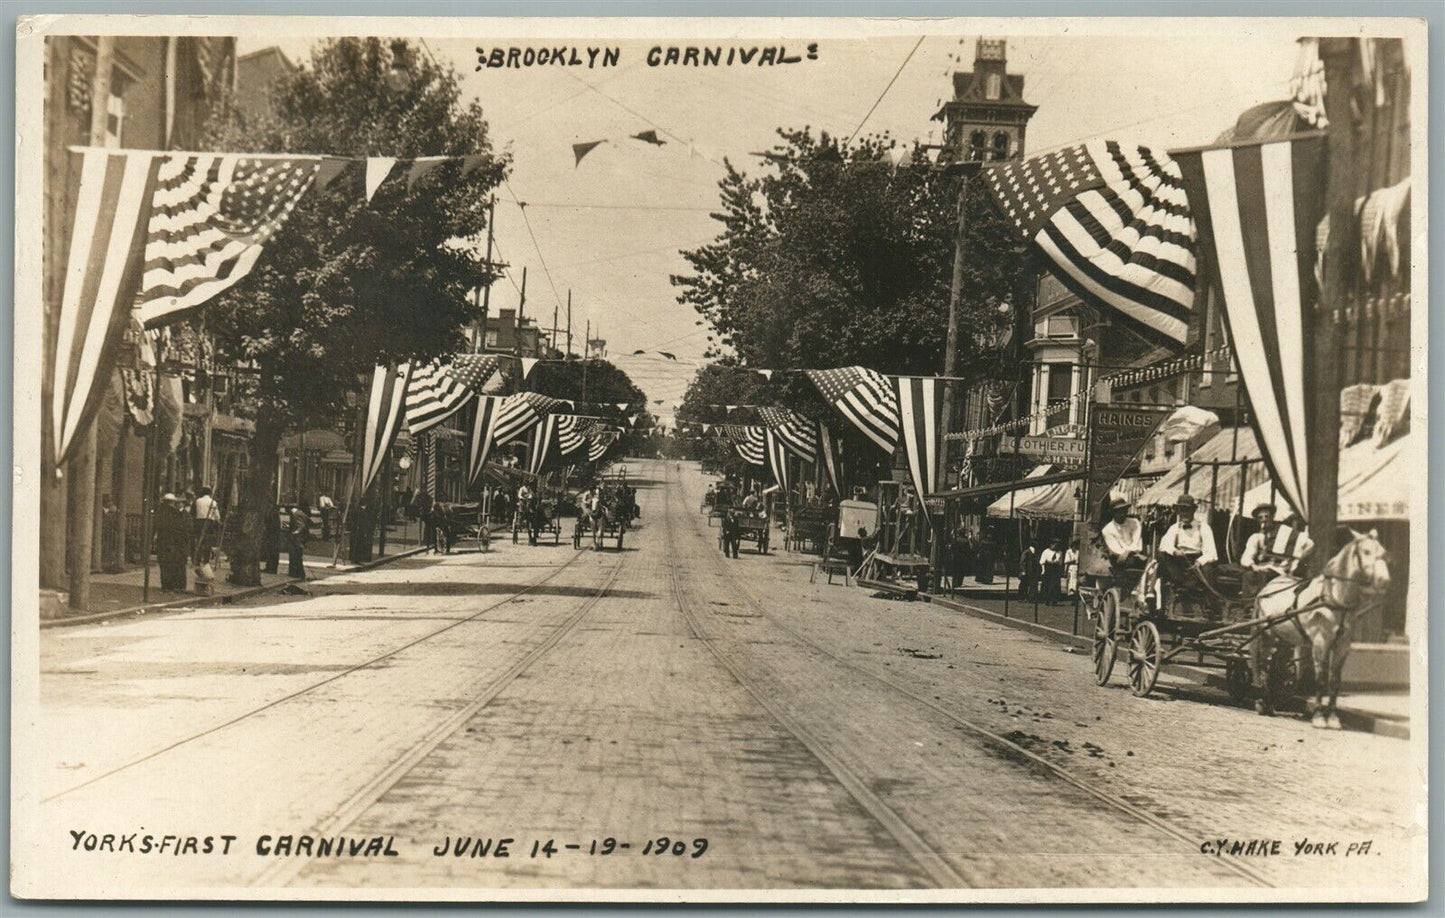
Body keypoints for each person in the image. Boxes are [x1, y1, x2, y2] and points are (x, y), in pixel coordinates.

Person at [1240, 502, 1314, 592]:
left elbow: (1309, 544)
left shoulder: (1284, 532)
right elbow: (1247, 556)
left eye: (1266, 516)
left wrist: (1296, 561)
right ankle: (1250, 603)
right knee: (1249, 575)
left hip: (1280, 570)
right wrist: (1253, 565)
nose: (1264, 520)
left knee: (1262, 576)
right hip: (1262, 568)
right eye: (1260, 517)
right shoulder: (1257, 537)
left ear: (1272, 517)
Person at [1156, 494, 1217, 596]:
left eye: (1187, 510)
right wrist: (1175, 551)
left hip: (1196, 561)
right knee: (1162, 556)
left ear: (1193, 510)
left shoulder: (1203, 527)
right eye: (1181, 510)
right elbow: (1164, 545)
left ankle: (1208, 603)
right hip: (1179, 561)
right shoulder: (1175, 528)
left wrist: (1199, 562)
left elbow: (1212, 553)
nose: (1184, 513)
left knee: (1208, 569)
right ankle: (1181, 585)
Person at [154, 494, 189, 592]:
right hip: (173, 542)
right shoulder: (175, 513)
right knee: (172, 564)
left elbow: (156, 526)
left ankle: (166, 585)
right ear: (173, 502)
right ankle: (175, 586)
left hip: (162, 541)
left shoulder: (158, 512)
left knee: (164, 564)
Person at [191, 486, 221, 565]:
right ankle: (206, 561)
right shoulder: (213, 502)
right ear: (210, 493)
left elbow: (193, 512)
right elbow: (217, 515)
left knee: (199, 541)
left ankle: (197, 560)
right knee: (208, 542)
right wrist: (218, 520)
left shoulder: (197, 501)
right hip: (209, 523)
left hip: (199, 522)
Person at [286, 499, 311, 580]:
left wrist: (296, 532)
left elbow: (301, 525)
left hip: (298, 539)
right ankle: (295, 573)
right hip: (299, 538)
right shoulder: (300, 513)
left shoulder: (296, 514)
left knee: (295, 555)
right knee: (296, 555)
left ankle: (297, 573)